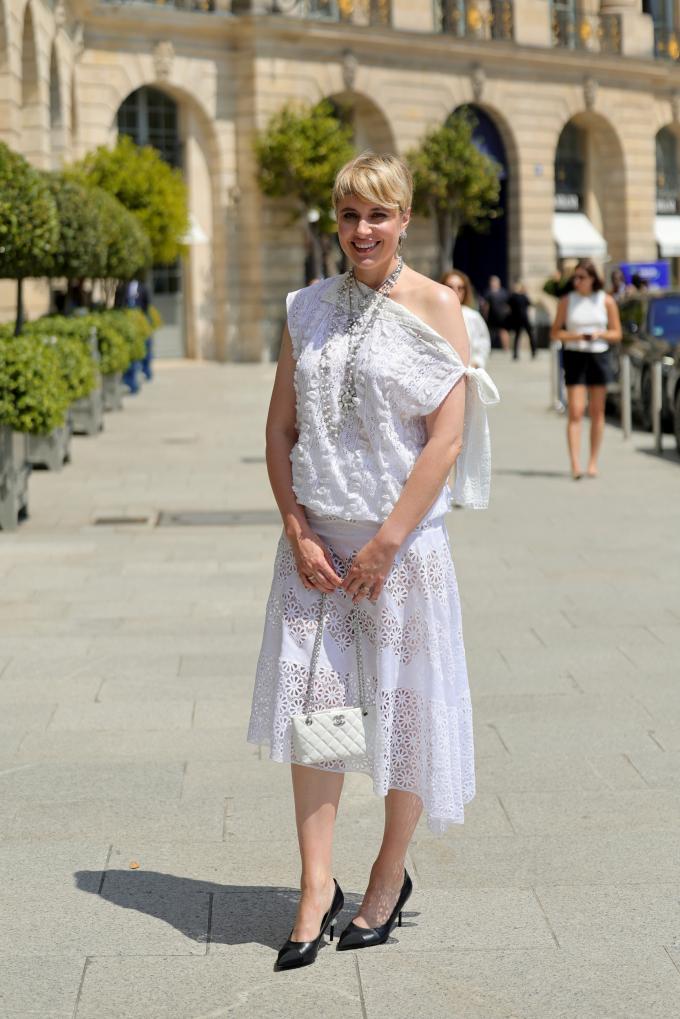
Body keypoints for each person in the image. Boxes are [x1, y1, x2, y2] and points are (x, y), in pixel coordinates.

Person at [247, 152, 499, 971]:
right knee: (318, 722)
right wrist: (297, 528)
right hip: (318, 554)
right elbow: (279, 431)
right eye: (350, 215)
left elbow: (447, 439)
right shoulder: (307, 308)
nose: (362, 230)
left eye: (378, 215)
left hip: (402, 555)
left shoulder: (438, 306)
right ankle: (316, 886)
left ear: (405, 219)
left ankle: (387, 877)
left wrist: (388, 542)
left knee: (403, 719)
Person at [550, 258, 622, 479]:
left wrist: (598, 334)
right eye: (575, 277)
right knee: (576, 410)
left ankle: (592, 462)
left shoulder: (606, 300)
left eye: (582, 277)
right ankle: (575, 463)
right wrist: (577, 336)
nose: (577, 281)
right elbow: (555, 332)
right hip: (574, 355)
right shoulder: (566, 301)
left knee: (597, 411)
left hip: (599, 356)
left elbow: (616, 333)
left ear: (593, 279)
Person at [440, 269, 491, 368]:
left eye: (460, 288)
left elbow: (483, 342)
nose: (455, 292)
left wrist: (476, 363)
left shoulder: (472, 316)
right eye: (450, 287)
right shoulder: (433, 314)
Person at [482, 274, 511, 351]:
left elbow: (508, 305)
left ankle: (506, 348)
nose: (493, 283)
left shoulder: (503, 292)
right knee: (490, 333)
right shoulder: (489, 292)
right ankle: (488, 348)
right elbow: (486, 306)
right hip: (493, 316)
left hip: (502, 316)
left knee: (503, 331)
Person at [508, 281, 536, 360]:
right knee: (530, 335)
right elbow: (530, 304)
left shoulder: (513, 297)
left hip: (517, 319)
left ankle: (515, 354)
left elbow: (508, 305)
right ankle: (533, 352)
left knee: (517, 337)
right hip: (524, 318)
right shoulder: (523, 296)